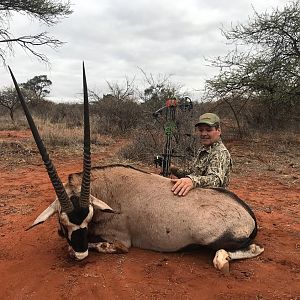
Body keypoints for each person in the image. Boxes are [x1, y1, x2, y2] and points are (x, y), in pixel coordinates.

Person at [170, 112, 232, 196]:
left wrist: (192, 181)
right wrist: (173, 169)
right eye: (201, 130)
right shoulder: (203, 149)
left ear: (218, 131)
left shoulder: (220, 152)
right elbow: (191, 172)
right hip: (198, 196)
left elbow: (215, 180)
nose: (203, 134)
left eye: (208, 130)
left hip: (213, 200)